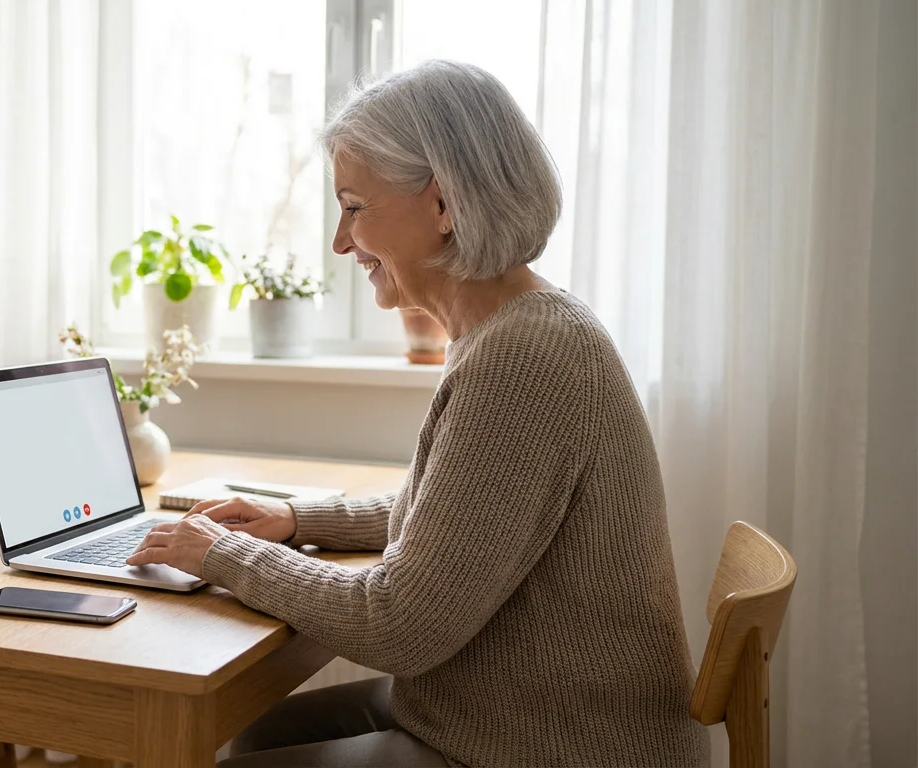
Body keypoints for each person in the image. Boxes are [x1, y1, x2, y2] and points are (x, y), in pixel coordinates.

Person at [127, 60, 710, 767]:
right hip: (502, 714)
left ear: (442, 205)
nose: (340, 243)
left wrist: (224, 554)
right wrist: (296, 520)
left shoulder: (525, 357)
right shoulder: (511, 327)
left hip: (556, 746)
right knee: (260, 733)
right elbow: (455, 519)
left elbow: (399, 624)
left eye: (354, 206)